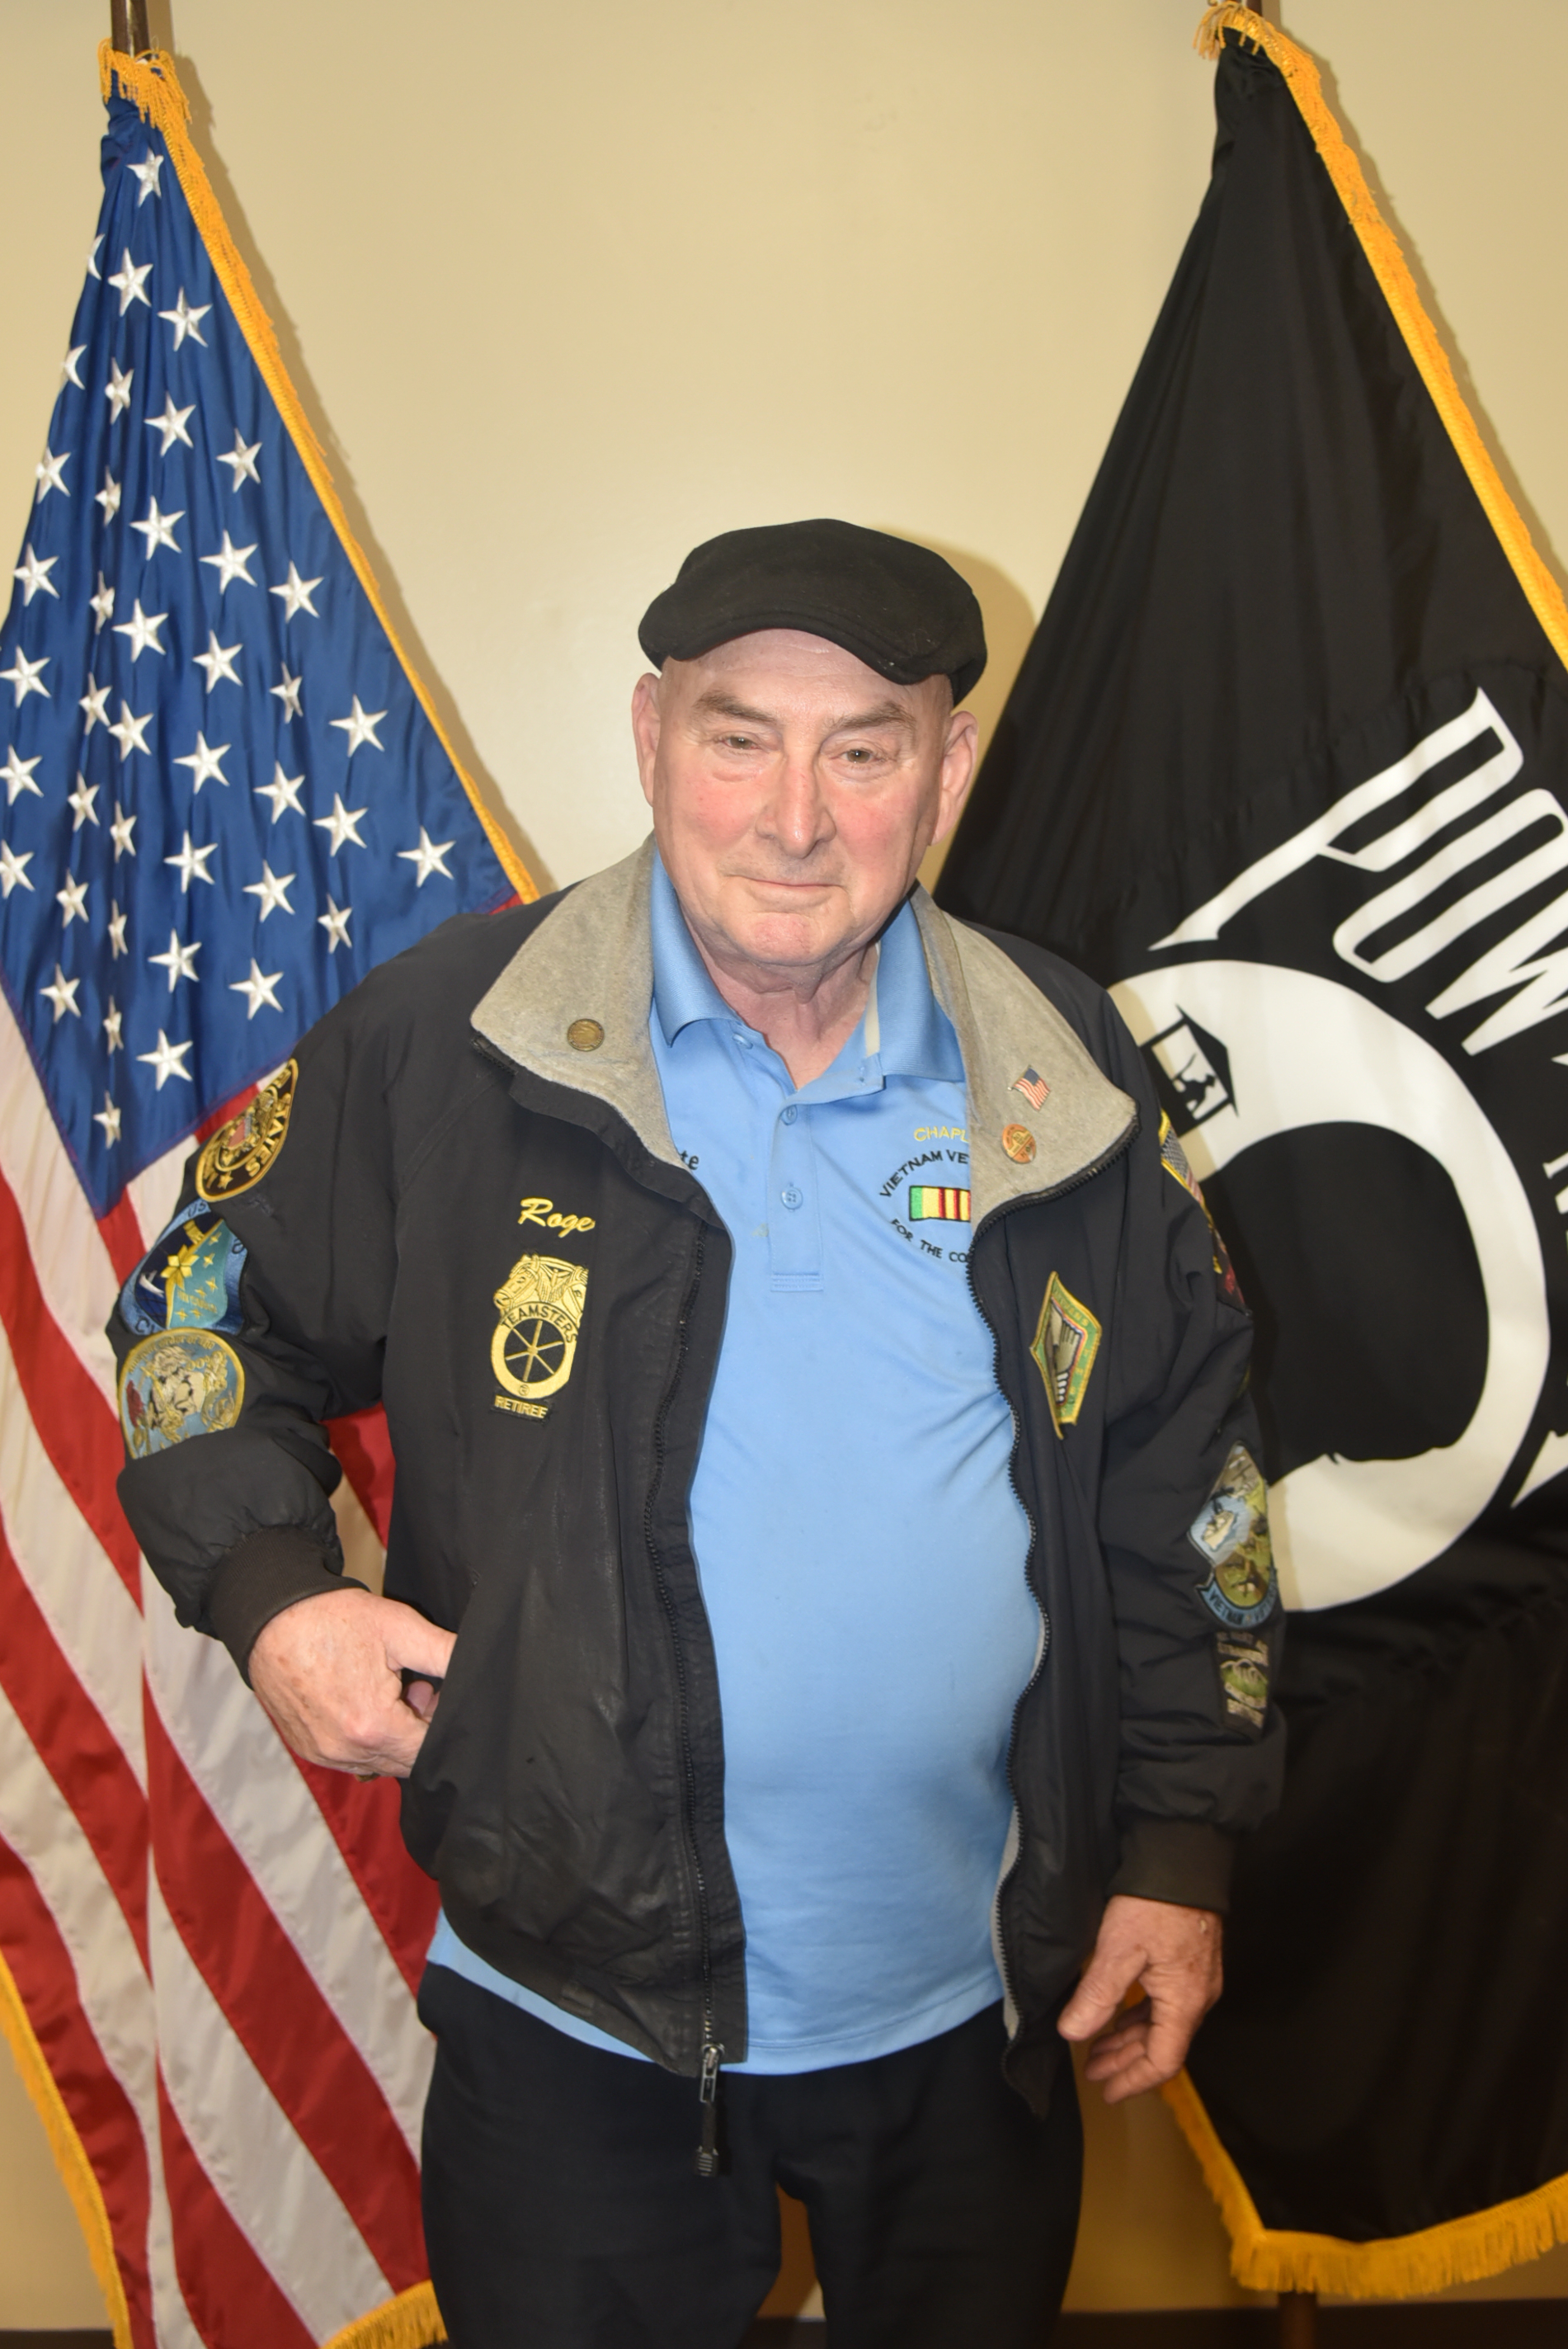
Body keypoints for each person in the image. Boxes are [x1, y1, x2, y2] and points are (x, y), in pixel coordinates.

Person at [111, 519, 1284, 2349]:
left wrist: (1178, 1857)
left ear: (948, 768)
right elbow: (193, 1314)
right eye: (742, 736)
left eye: (866, 747)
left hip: (976, 2005)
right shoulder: (453, 1041)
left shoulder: (1058, 1058)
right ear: (652, 733)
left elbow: (1180, 1465)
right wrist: (277, 1594)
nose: (796, 815)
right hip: (575, 2017)